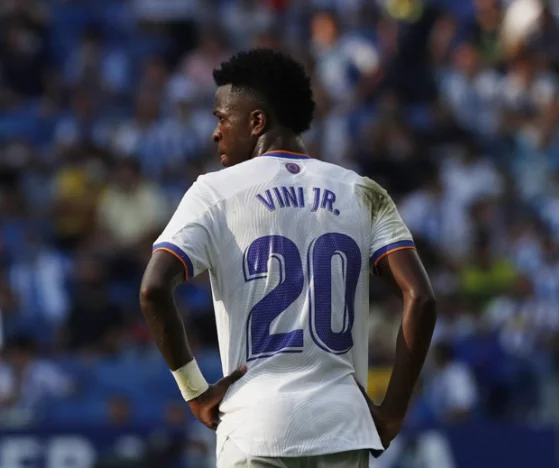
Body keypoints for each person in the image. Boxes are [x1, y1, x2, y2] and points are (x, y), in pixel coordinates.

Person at [139, 48, 436, 468]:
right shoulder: (361, 190)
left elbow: (153, 289)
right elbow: (420, 297)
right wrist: (394, 411)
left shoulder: (214, 191)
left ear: (257, 121)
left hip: (256, 425)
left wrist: (195, 392)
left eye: (222, 119)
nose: (215, 134)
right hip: (341, 425)